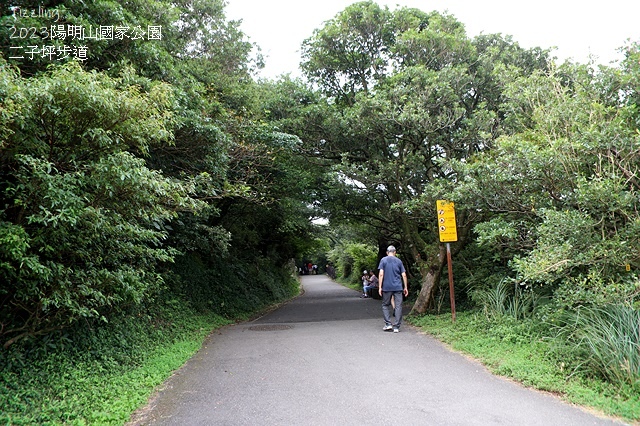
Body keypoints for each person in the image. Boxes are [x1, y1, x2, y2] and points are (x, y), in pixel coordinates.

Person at [378, 245, 408, 332]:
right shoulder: (399, 261)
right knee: (398, 306)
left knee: (385, 305)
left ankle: (388, 324)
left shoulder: (383, 260)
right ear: (395, 252)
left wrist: (380, 287)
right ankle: (396, 327)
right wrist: (405, 287)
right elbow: (404, 275)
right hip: (398, 287)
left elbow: (381, 274)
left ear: (387, 252)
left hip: (387, 287)